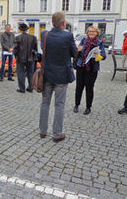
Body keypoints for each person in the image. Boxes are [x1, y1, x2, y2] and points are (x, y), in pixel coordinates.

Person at [39, 12, 77, 142]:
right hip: (62, 76)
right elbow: (74, 53)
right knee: (59, 105)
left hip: (47, 74)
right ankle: (57, 134)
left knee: (45, 103)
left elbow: (43, 49)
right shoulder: (68, 36)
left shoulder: (45, 35)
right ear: (63, 23)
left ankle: (43, 131)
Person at [73, 26, 106, 115]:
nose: (91, 33)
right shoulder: (83, 41)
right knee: (79, 87)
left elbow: (104, 56)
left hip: (92, 69)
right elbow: (77, 53)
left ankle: (88, 107)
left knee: (89, 88)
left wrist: (98, 55)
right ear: (87, 33)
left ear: (97, 33)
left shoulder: (99, 43)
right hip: (81, 66)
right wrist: (78, 51)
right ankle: (76, 105)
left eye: (93, 32)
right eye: (90, 31)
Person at [13, 23, 37, 93]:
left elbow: (15, 49)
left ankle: (22, 88)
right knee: (31, 73)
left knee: (21, 73)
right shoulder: (33, 37)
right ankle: (30, 87)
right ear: (27, 29)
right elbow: (35, 49)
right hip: (31, 58)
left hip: (20, 58)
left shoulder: (17, 38)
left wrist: (16, 56)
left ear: (20, 29)